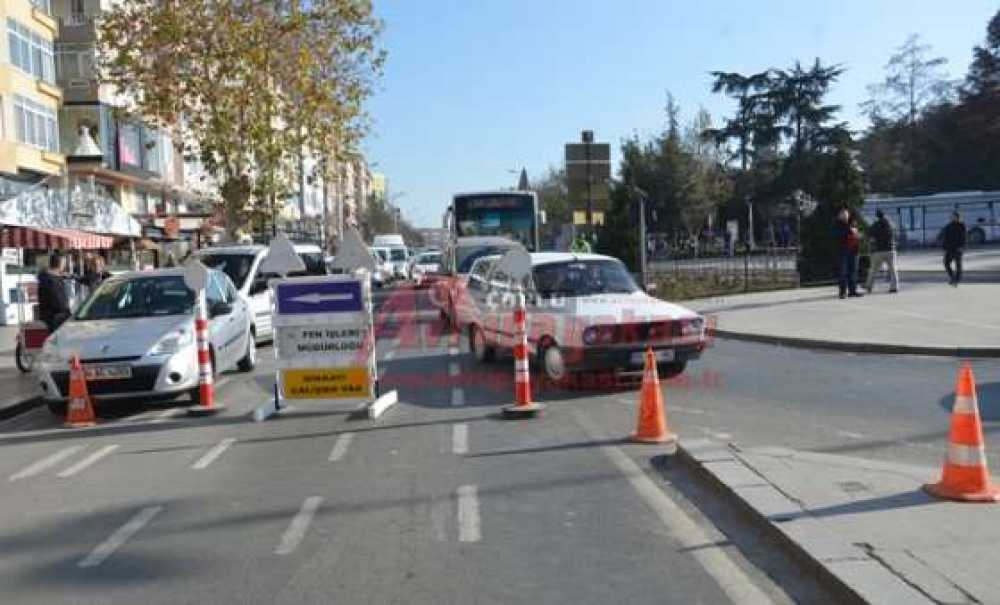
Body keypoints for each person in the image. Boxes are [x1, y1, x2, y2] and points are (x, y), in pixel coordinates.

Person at [865, 210, 899, 293]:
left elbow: (869, 235)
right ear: (885, 215)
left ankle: (869, 286)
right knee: (893, 269)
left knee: (873, 269)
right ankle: (894, 287)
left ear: (877, 216)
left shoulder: (875, 225)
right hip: (890, 250)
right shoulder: (891, 224)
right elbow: (895, 235)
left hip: (878, 250)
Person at [37, 252, 72, 333]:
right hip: (56, 317)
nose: (64, 266)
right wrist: (66, 312)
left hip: (51, 316)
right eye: (64, 263)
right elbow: (58, 300)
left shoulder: (49, 277)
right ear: (60, 264)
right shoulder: (52, 280)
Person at [834, 208, 863, 299]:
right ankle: (842, 292)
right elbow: (837, 235)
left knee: (853, 271)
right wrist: (849, 231)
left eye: (846, 215)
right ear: (839, 216)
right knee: (843, 272)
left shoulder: (852, 223)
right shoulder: (837, 224)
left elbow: (857, 233)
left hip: (854, 250)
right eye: (843, 215)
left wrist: (858, 235)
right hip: (842, 250)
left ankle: (852, 291)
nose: (845, 216)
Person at [941, 212, 966, 286]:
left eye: (954, 217)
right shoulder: (948, 226)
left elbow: (963, 237)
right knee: (946, 263)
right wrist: (944, 246)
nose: (952, 218)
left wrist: (961, 246)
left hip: (957, 248)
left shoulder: (961, 226)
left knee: (958, 265)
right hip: (949, 248)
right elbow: (945, 237)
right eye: (951, 217)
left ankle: (957, 279)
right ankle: (952, 277)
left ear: (958, 218)